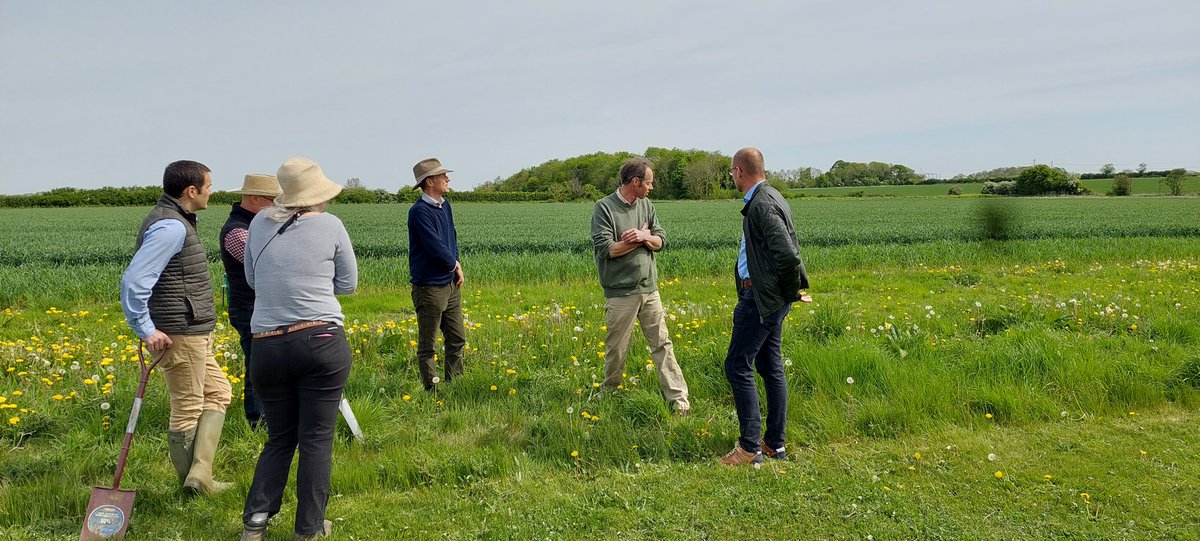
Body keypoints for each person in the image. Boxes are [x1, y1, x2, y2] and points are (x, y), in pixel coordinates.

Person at [240, 157, 357, 541]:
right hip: (319, 339)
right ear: (317, 194)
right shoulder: (331, 225)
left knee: (279, 437)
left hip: (267, 344)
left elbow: (252, 278)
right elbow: (348, 284)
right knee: (316, 438)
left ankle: (256, 520)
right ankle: (309, 528)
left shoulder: (258, 223)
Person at [119, 160, 234, 494]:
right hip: (179, 330)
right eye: (209, 187)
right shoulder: (171, 227)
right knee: (187, 406)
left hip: (190, 328)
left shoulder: (176, 220)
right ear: (191, 191)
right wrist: (144, 328)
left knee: (218, 392)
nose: (212, 192)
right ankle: (193, 488)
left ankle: (200, 475)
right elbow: (135, 280)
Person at [719, 147, 811, 466]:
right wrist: (790, 293)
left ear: (740, 171)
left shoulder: (762, 203)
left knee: (737, 365)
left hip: (760, 298)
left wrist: (790, 292)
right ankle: (774, 444)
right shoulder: (768, 197)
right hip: (770, 297)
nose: (732, 177)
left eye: (732, 172)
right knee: (770, 366)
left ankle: (749, 448)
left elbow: (786, 253)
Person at [590, 157, 690, 414]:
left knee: (662, 344)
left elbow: (661, 240)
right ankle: (610, 393)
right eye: (648, 183)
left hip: (649, 288)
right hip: (621, 292)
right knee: (617, 348)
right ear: (635, 182)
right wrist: (641, 238)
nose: (651, 187)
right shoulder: (604, 208)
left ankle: (679, 400)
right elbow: (607, 249)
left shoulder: (647, 205)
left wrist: (645, 235)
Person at [219, 173, 282, 430]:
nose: (277, 206)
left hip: (260, 306)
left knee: (269, 363)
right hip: (249, 308)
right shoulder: (237, 230)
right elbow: (265, 264)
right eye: (273, 200)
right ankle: (258, 421)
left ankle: (272, 417)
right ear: (254, 198)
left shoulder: (255, 225)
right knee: (258, 364)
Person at [407, 157, 466, 391]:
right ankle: (432, 391)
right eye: (443, 176)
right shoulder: (419, 212)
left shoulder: (445, 205)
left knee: (457, 338)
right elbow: (435, 247)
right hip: (430, 287)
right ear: (429, 182)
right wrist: (454, 265)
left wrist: (457, 262)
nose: (447, 178)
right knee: (428, 345)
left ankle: (455, 384)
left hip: (450, 284)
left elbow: (452, 237)